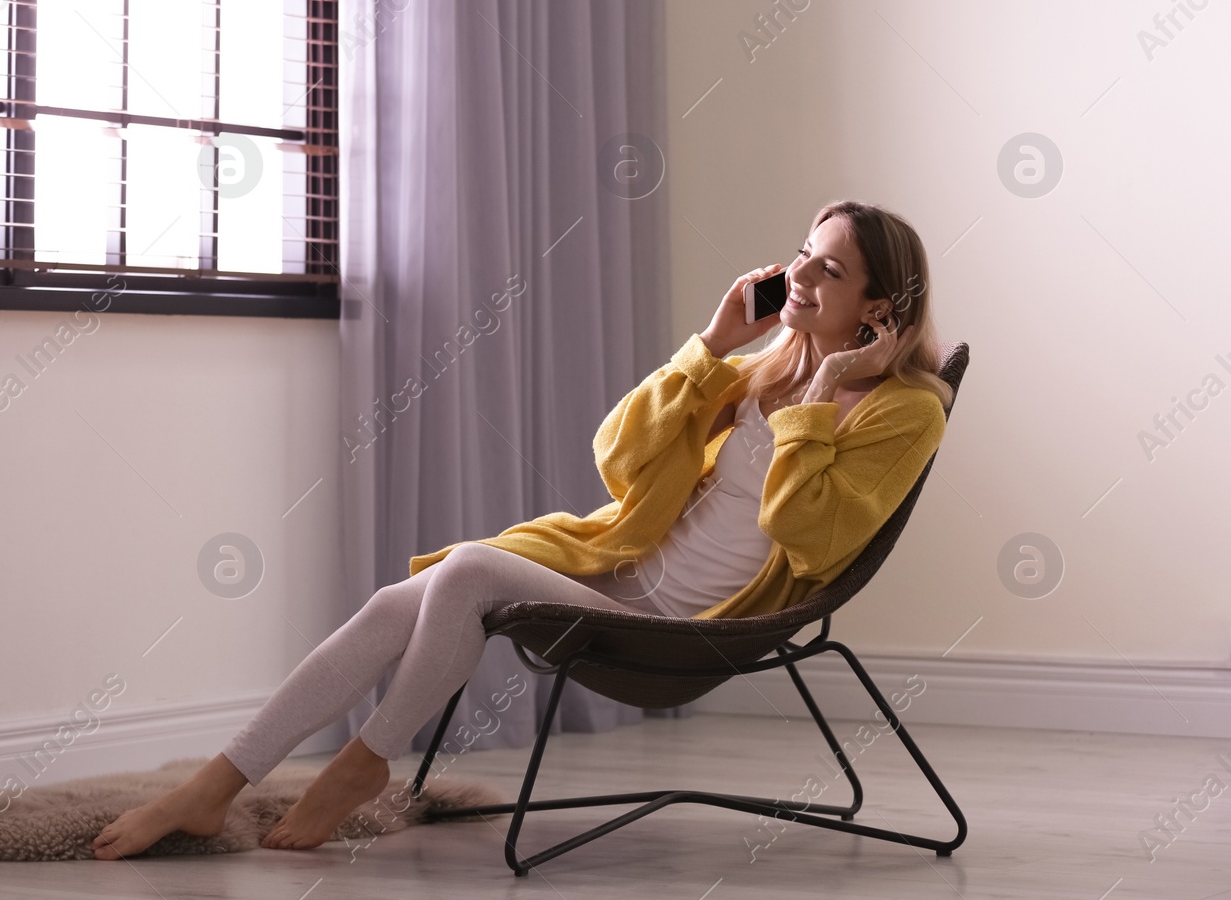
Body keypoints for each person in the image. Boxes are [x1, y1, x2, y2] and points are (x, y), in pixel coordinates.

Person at [91, 199, 952, 858]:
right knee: (405, 597)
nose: (801, 274)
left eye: (831, 270)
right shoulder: (758, 368)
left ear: (882, 306)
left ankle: (366, 760)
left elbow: (811, 535)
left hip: (690, 626)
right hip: (618, 569)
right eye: (805, 251)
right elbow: (618, 454)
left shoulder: (905, 409)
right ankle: (214, 785)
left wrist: (828, 388)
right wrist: (710, 343)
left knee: (467, 573)